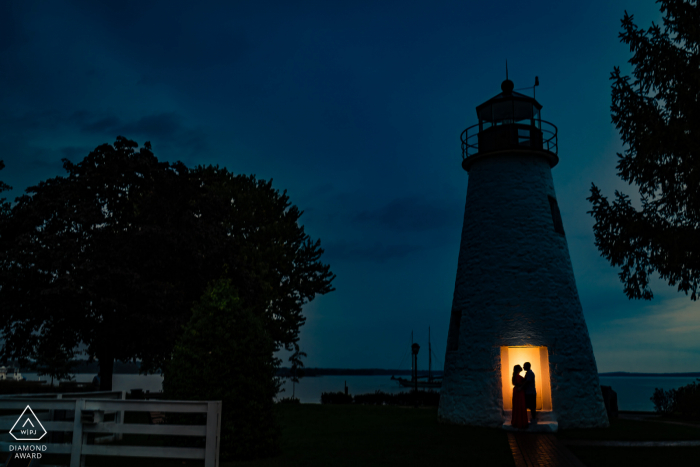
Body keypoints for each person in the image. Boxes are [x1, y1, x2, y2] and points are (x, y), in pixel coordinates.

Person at [511, 365, 528, 429]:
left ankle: (517, 421)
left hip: (516, 391)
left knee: (517, 406)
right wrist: (525, 382)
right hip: (519, 391)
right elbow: (519, 383)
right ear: (518, 369)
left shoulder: (515, 376)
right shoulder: (517, 376)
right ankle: (521, 422)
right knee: (520, 405)